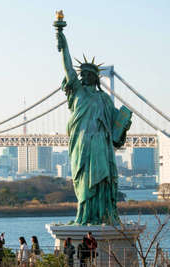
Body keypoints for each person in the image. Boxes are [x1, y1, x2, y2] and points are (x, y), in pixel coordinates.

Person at [55, 16, 131, 225]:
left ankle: (104, 214)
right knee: (83, 181)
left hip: (100, 143)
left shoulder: (104, 99)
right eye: (84, 74)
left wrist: (123, 127)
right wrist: (63, 40)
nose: (85, 76)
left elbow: (116, 133)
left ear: (96, 78)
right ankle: (85, 214)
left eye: (89, 74)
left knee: (103, 180)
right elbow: (68, 67)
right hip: (81, 143)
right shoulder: (77, 92)